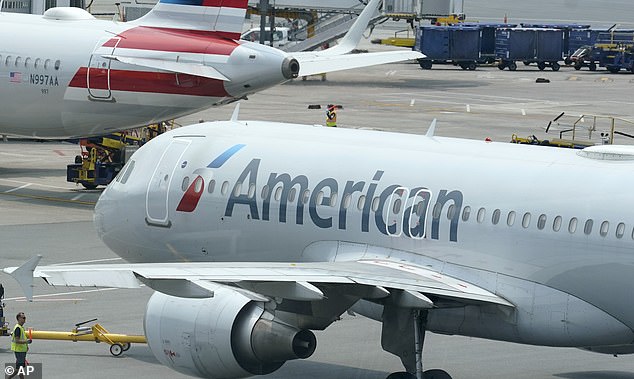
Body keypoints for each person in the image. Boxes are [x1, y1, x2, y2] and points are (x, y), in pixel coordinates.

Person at [8, 312, 31, 379]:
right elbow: (17, 340)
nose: (24, 319)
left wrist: (26, 346)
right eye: (23, 318)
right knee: (19, 368)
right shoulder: (18, 328)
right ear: (19, 318)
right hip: (19, 351)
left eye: (25, 317)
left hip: (21, 351)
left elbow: (21, 338)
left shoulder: (21, 327)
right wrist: (26, 341)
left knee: (20, 368)